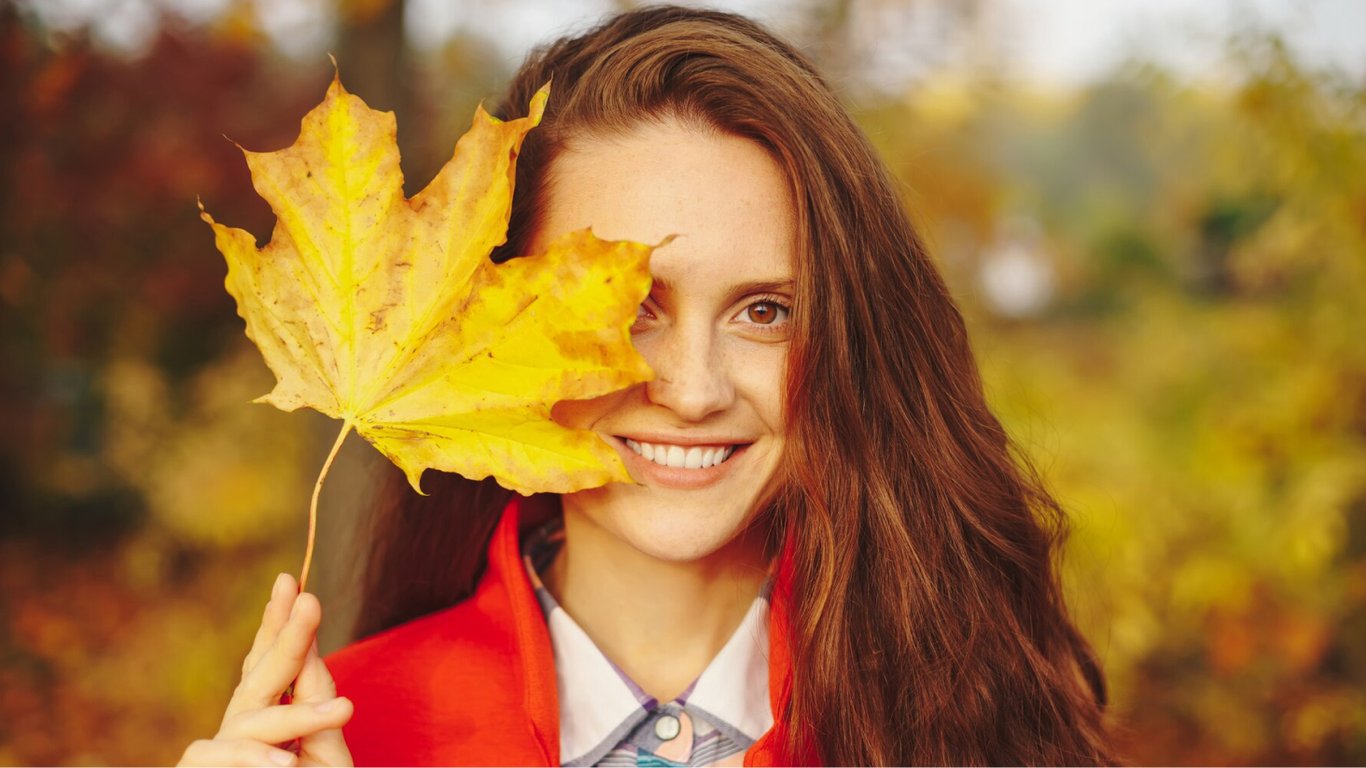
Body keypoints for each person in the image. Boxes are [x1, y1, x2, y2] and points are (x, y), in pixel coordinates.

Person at [179, 6, 1114, 766]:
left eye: (766, 311)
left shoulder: (973, 711)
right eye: (627, 309)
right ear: (485, 331)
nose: (693, 390)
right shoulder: (351, 728)